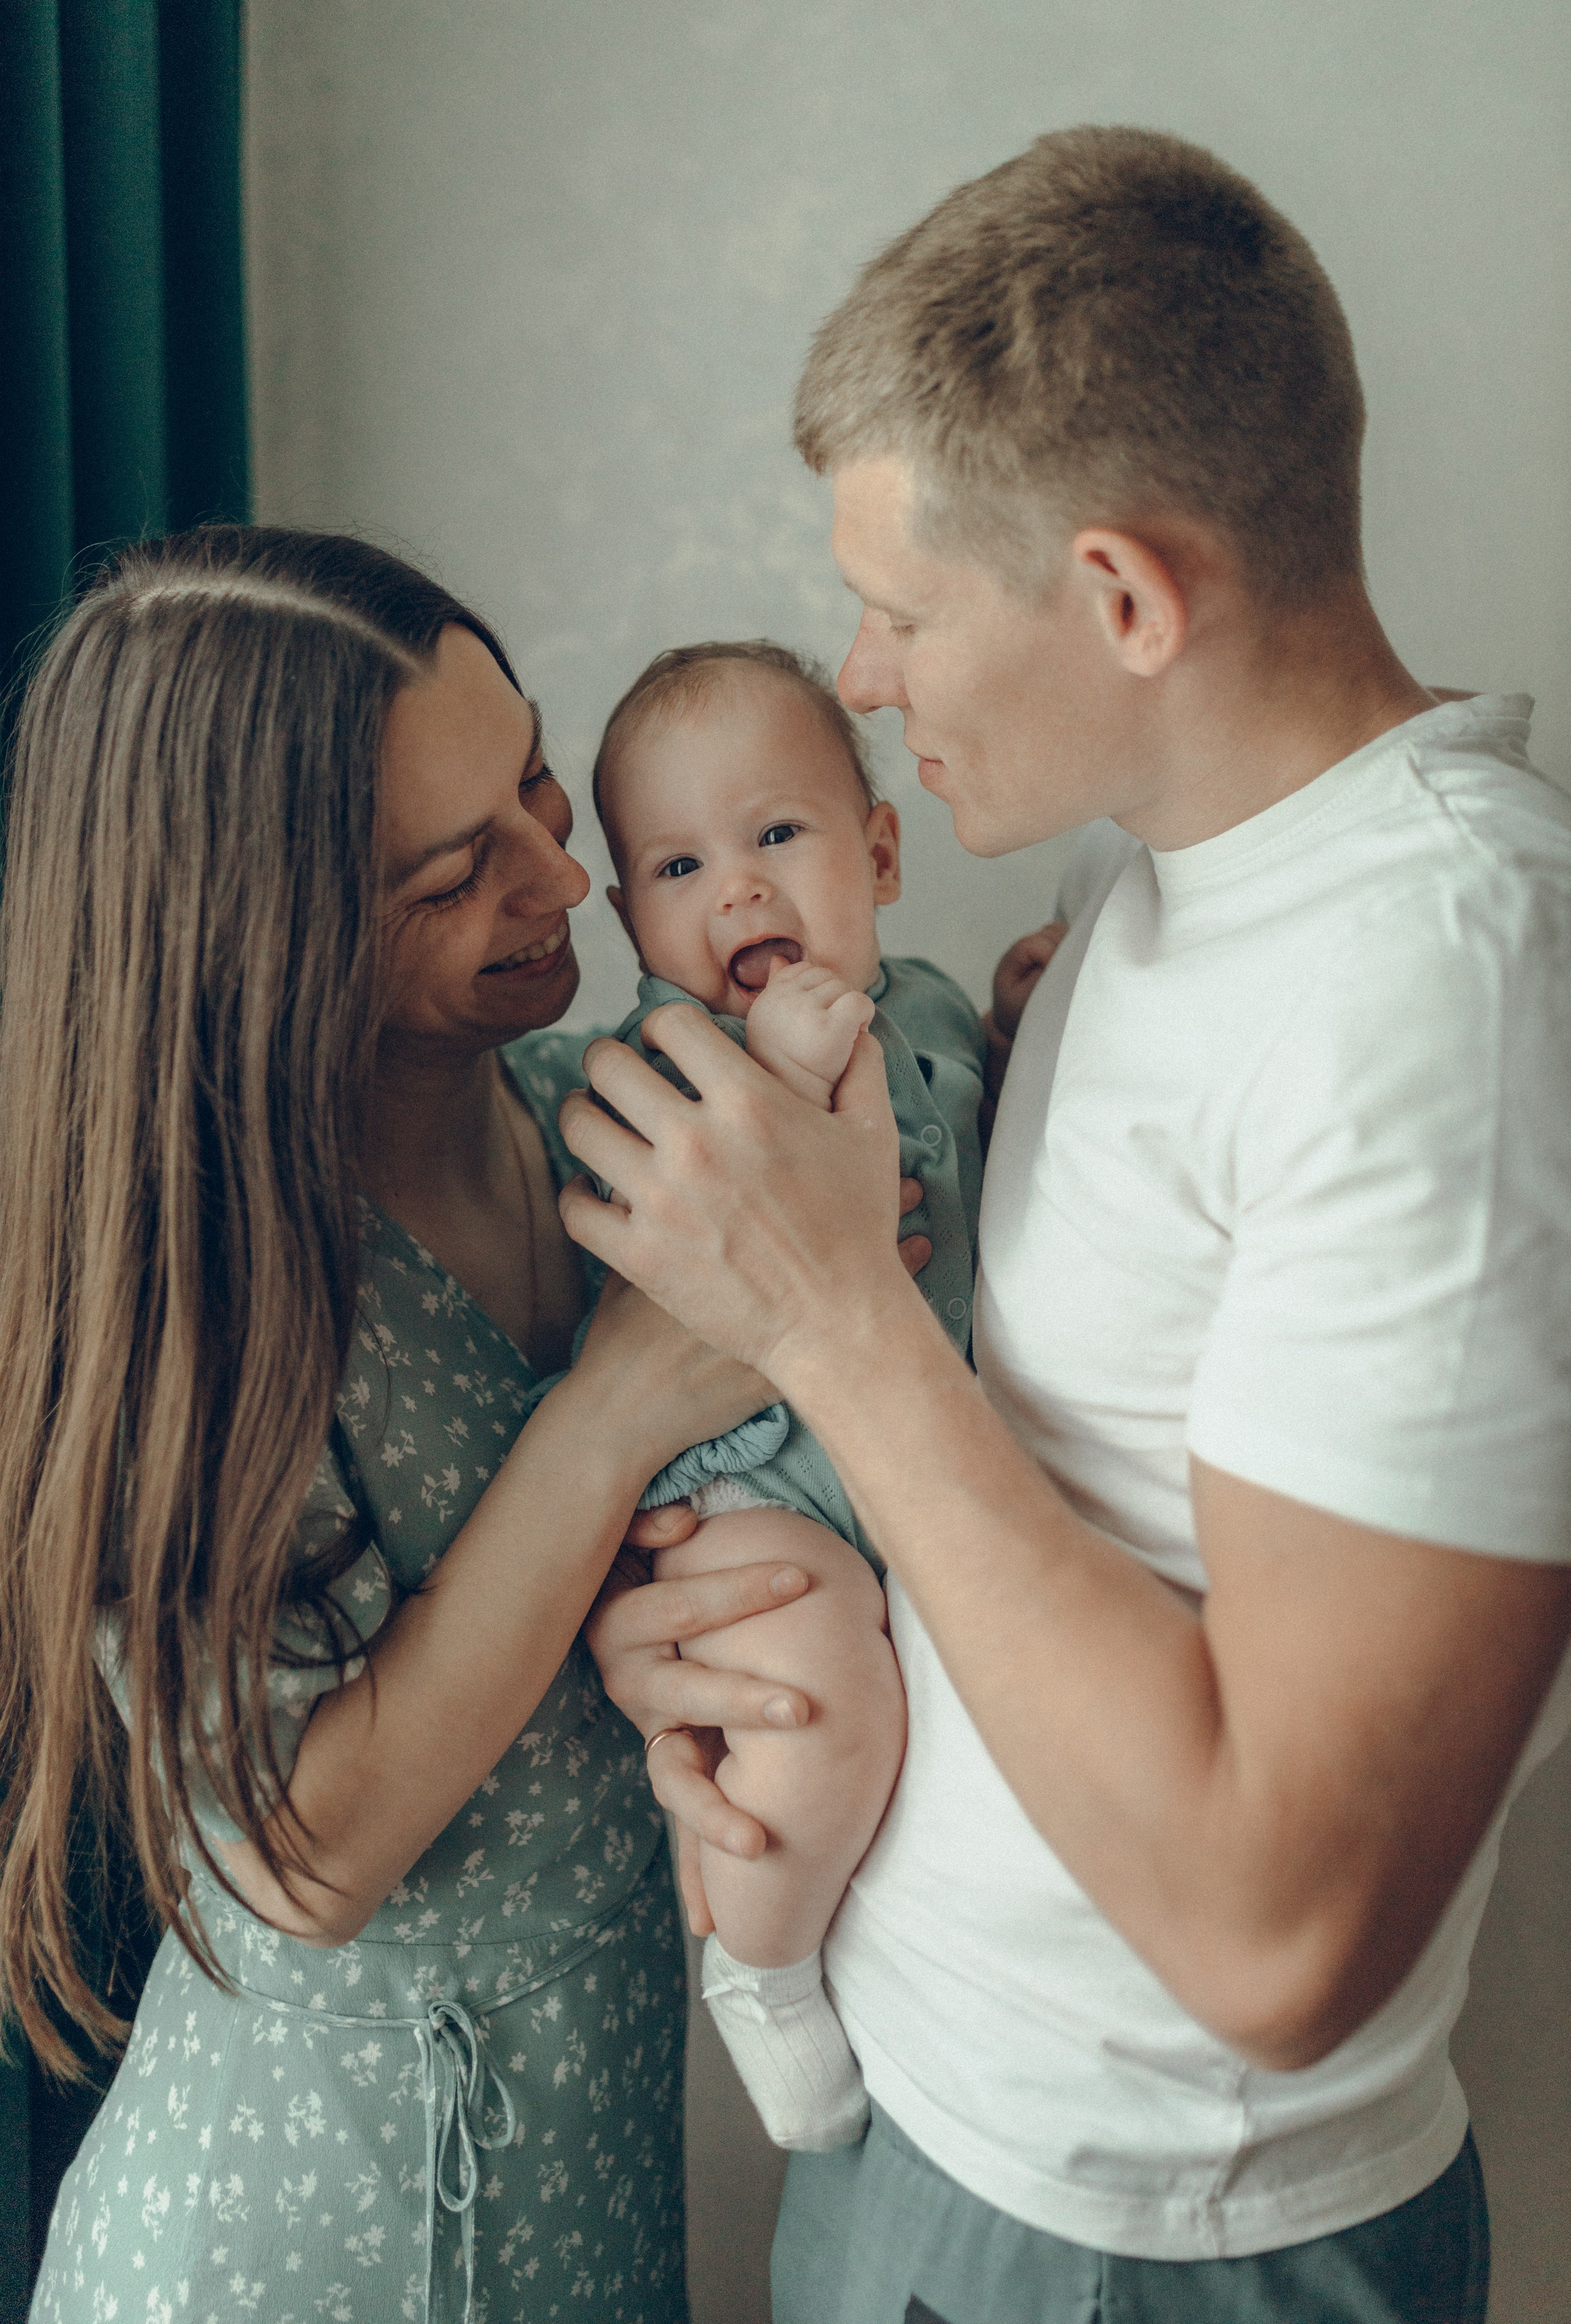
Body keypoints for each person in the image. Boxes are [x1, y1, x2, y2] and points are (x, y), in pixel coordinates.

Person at [566, 128, 1571, 2324]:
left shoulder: (1445, 993)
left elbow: (1279, 1937)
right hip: (934, 2129)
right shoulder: (1154, 879)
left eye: (906, 609)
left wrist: (835, 1326)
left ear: (1123, 598)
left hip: (1138, 2247)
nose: (870, 670)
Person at [0, 525, 795, 2324]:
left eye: (535, 784)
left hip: (584, 2181)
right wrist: (609, 1416)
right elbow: (299, 1858)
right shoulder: (181, 1295)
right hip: (305, 2245)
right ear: (258, 934)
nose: (565, 886)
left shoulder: (587, 1107)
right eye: (457, 873)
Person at [590, 638, 1044, 2155]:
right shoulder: (653, 1064)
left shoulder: (913, 1010)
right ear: (627, 915)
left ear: (881, 850)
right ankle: (766, 1974)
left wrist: (1011, 1023)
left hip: (934, 1462)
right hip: (754, 1484)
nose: (737, 891)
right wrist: (772, 1076)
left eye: (776, 835)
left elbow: (978, 1144)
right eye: (677, 863)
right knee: (812, 1709)